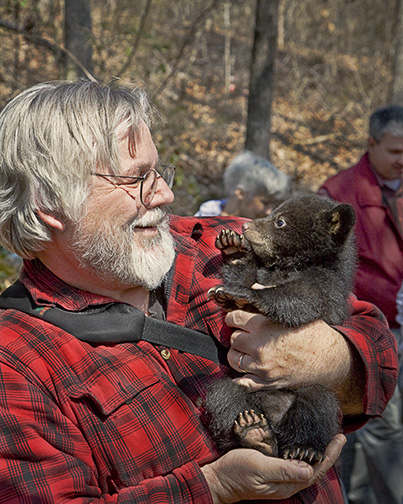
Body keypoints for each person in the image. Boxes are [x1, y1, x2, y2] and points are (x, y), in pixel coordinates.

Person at [0, 80, 397, 504]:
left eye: (159, 172)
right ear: (50, 203)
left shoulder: (213, 245)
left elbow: (378, 347)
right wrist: (214, 487)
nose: (165, 194)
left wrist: (331, 360)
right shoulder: (16, 363)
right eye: (137, 179)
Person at [319, 104, 403, 504]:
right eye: (396, 151)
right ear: (371, 144)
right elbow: (326, 270)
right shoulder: (339, 194)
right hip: (364, 329)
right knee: (376, 424)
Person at [195, 150, 290, 219]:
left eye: (272, 204)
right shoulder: (207, 214)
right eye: (264, 203)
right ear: (241, 193)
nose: (269, 211)